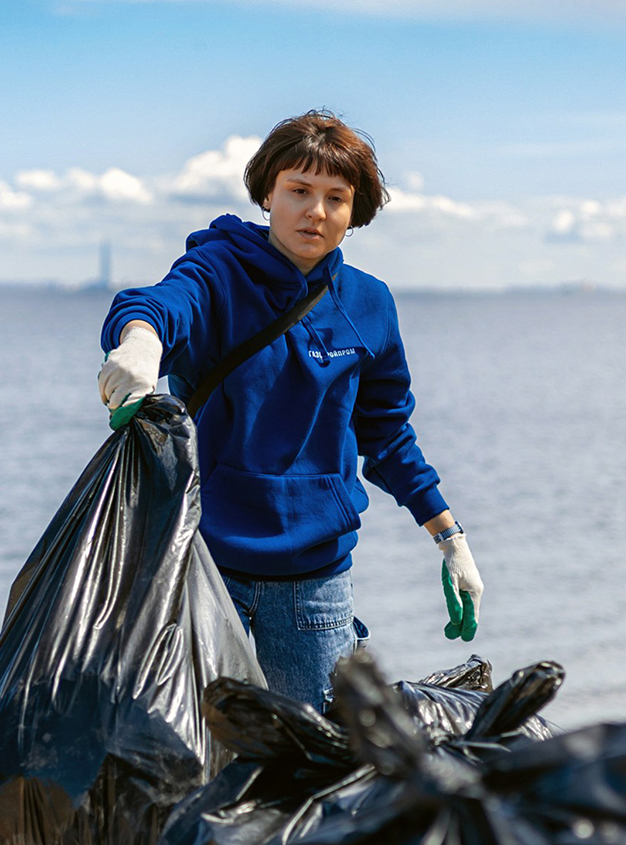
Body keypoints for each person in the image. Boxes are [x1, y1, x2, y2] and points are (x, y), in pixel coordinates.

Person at [95, 109, 482, 709]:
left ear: (357, 212)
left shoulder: (369, 304)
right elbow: (160, 304)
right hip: (202, 564)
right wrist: (142, 341)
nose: (316, 212)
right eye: (299, 191)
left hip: (315, 583)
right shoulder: (219, 272)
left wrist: (448, 536)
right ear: (268, 193)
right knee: (188, 755)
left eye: (336, 197)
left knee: (319, 762)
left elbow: (386, 436)